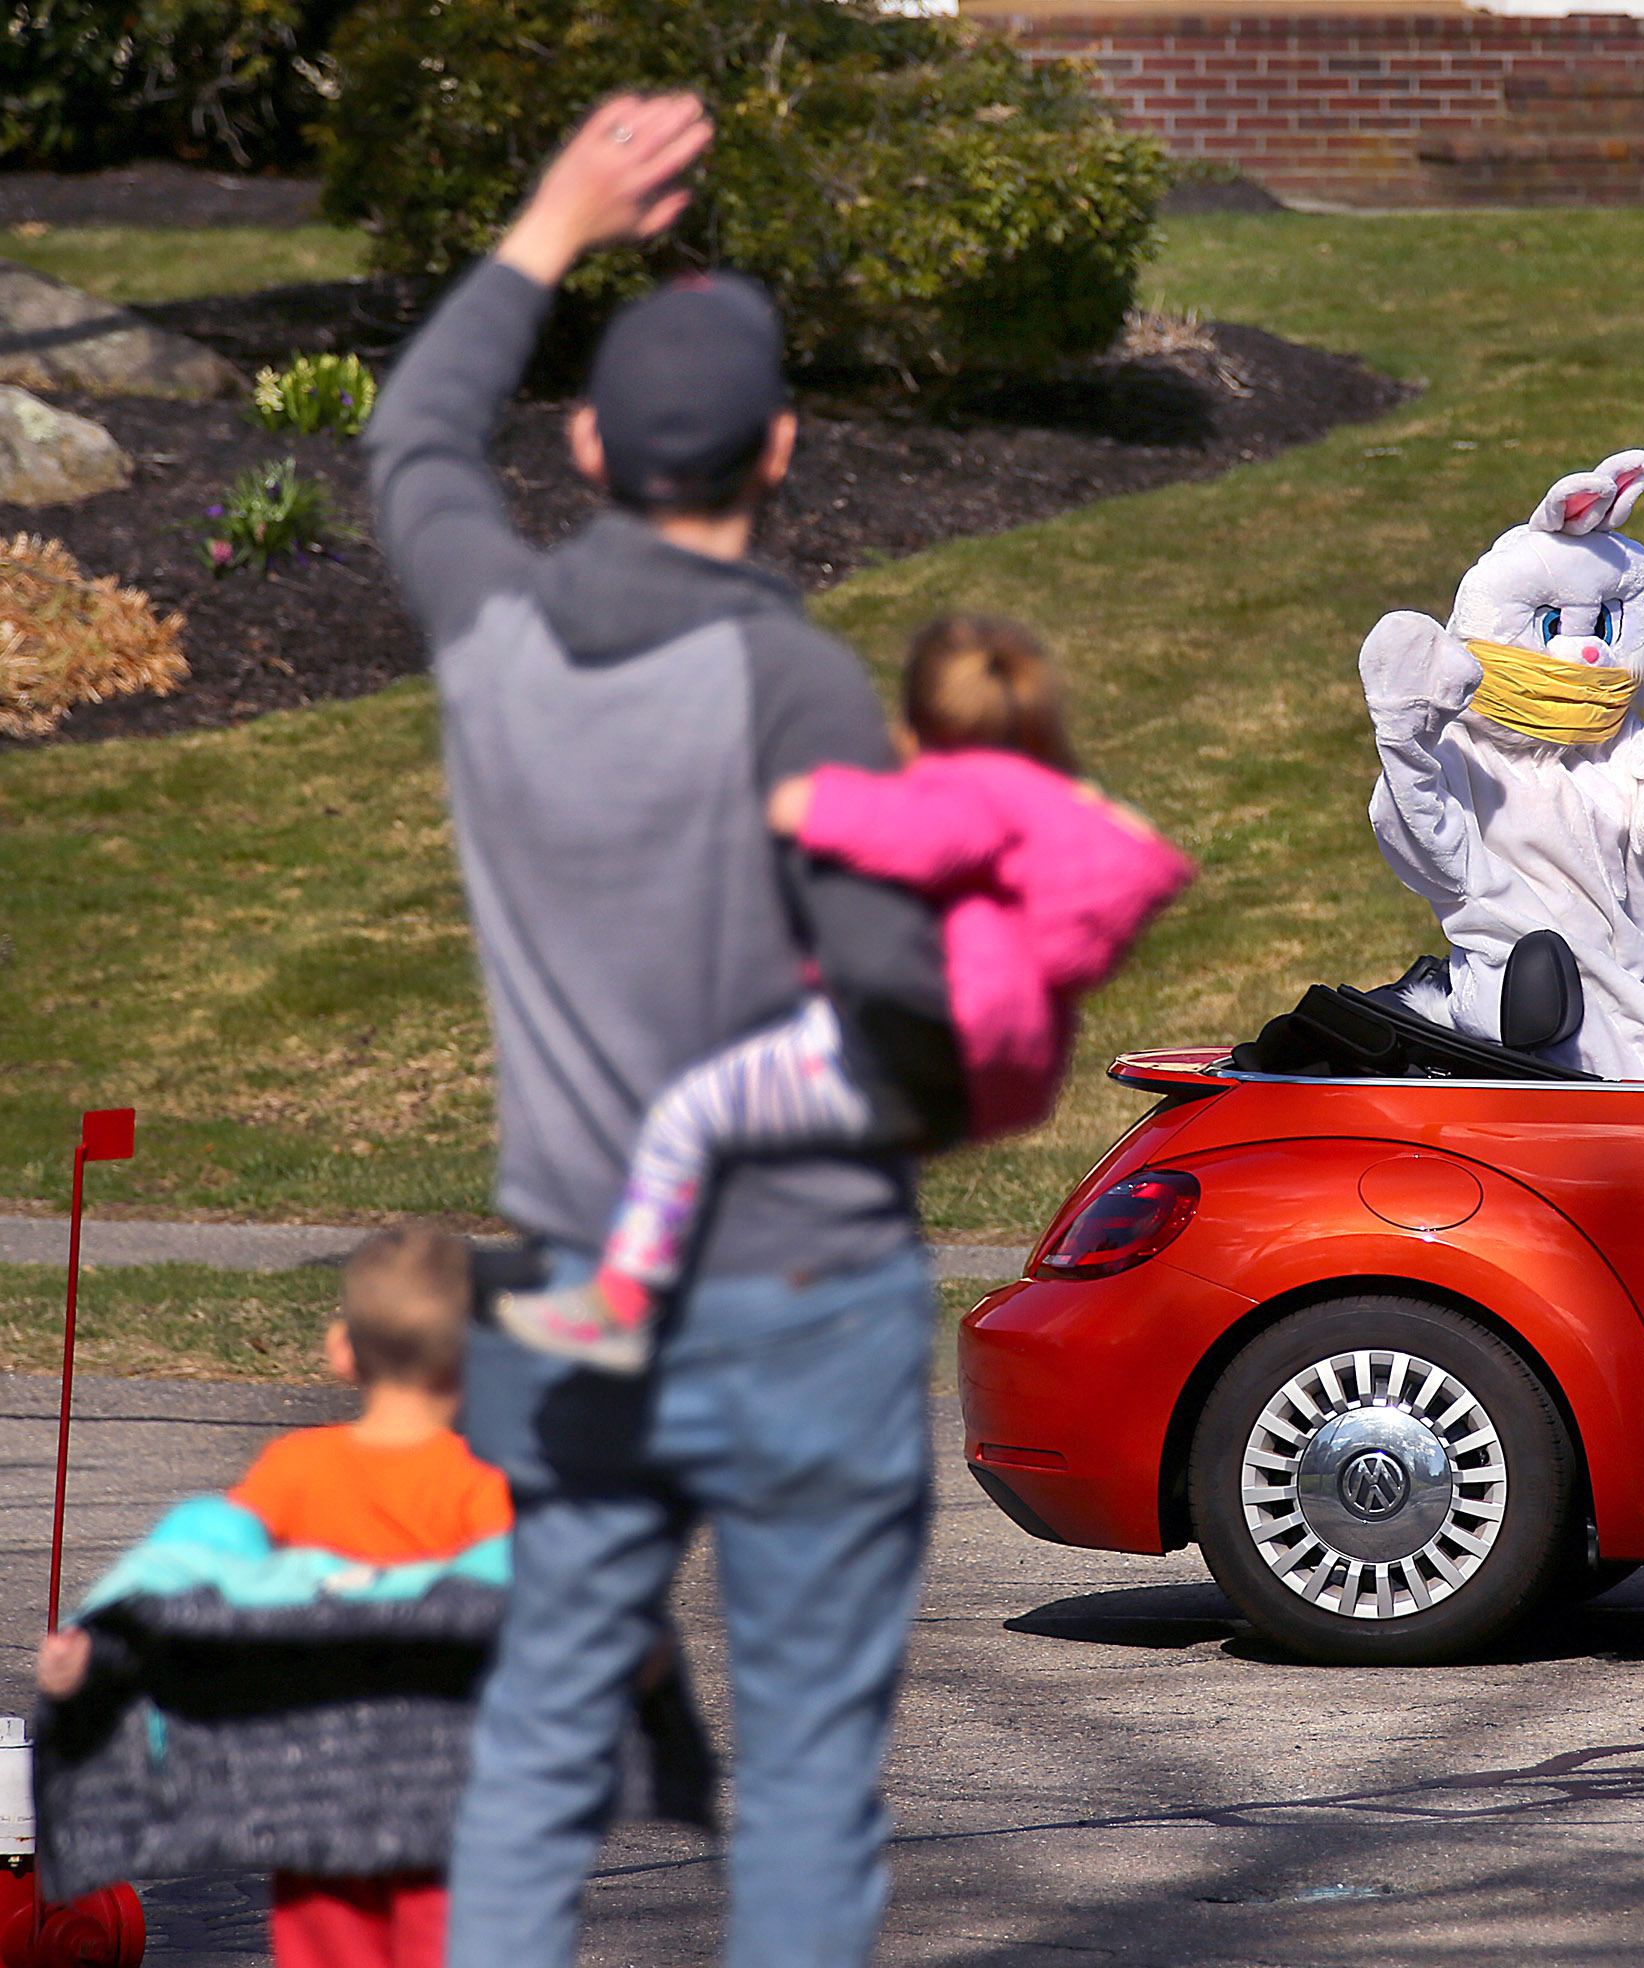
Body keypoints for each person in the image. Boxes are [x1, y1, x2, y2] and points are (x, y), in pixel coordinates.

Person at [361, 93, 964, 1968]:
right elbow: (909, 1022)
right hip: (805, 1300)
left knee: (540, 1750)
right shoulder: (796, 685)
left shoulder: (494, 634)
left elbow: (408, 440)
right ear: (782, 452)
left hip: (571, 1297)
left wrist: (554, 218)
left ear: (592, 442)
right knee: (792, 1778)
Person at [496, 612, 1192, 1372]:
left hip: (916, 1031)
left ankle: (622, 1307)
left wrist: (804, 805)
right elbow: (1083, 912)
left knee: (687, 1117)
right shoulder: (1057, 802)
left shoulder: (966, 787)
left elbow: (933, 835)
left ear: (920, 717)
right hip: (1002, 1068)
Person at [38, 1227, 509, 1968]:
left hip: (315, 1789)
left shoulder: (298, 1470)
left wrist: (100, 1647)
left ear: (342, 1352)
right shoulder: (484, 1487)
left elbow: (196, 1571)